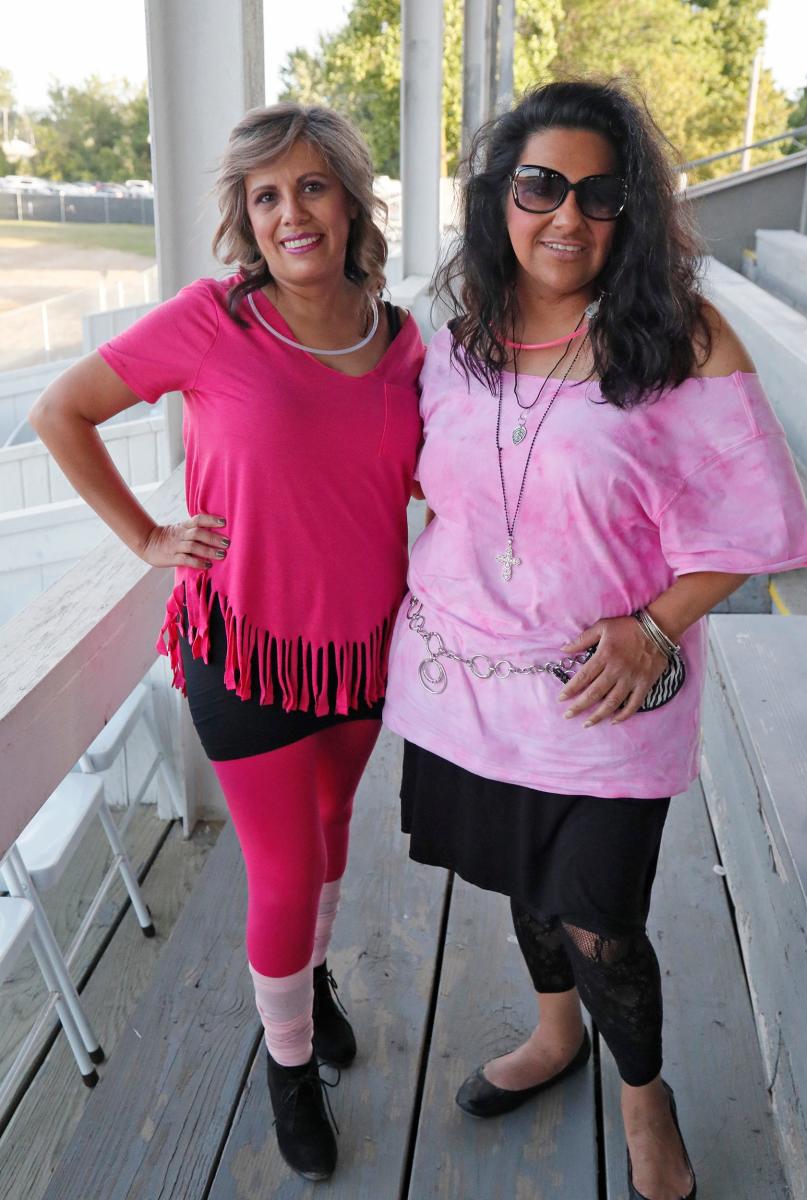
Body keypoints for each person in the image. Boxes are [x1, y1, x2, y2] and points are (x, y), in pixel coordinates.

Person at [383, 80, 807, 1200]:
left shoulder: (683, 339)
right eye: (540, 186)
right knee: (522, 885)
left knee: (602, 917)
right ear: (499, 197)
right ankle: (553, 1031)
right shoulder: (461, 335)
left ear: (632, 211)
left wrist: (654, 625)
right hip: (462, 682)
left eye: (599, 193)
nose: (565, 217)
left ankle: (644, 1095)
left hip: (606, 693)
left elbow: (759, 523)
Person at [29, 103, 424, 1183]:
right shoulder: (214, 320)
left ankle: (310, 982)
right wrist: (148, 534)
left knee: (336, 831)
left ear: (349, 199)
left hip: (360, 654)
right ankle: (287, 1065)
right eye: (266, 196)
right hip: (242, 650)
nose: (291, 212)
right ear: (246, 220)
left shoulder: (401, 339)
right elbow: (64, 412)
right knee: (285, 868)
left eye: (310, 187)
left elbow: (435, 482)